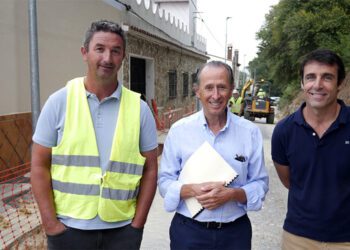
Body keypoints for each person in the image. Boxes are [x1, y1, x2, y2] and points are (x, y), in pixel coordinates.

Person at [31, 20, 158, 250]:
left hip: (122, 233)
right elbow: (39, 166)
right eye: (99, 49)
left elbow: (150, 170)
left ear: (123, 57)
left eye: (115, 51)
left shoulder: (139, 109)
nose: (107, 58)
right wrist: (50, 224)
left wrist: (137, 224)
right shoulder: (59, 102)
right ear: (85, 53)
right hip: (68, 231)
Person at [158, 61, 269, 250]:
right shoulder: (179, 131)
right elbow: (164, 182)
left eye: (222, 87)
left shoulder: (249, 132)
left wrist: (233, 194)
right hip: (188, 232)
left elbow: (260, 183)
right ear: (197, 91)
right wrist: (192, 190)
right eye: (209, 88)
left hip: (235, 234)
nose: (215, 95)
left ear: (232, 89)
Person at [271, 49, 350, 249]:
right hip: (298, 239)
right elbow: (290, 181)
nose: (317, 85)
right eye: (310, 77)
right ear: (302, 83)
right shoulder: (284, 131)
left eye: (327, 77)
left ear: (340, 83)